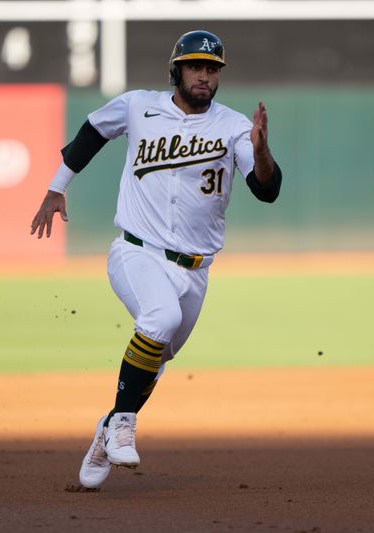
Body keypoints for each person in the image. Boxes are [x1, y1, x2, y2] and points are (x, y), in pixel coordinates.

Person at [29, 30, 282, 489]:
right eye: (195, 67)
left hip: (196, 270)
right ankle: (124, 423)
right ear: (176, 71)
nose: (204, 76)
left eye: (212, 69)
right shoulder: (138, 106)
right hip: (135, 250)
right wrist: (55, 186)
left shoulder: (233, 126)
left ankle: (106, 429)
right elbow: (90, 135)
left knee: (156, 359)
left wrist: (262, 152)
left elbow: (266, 189)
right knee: (159, 317)